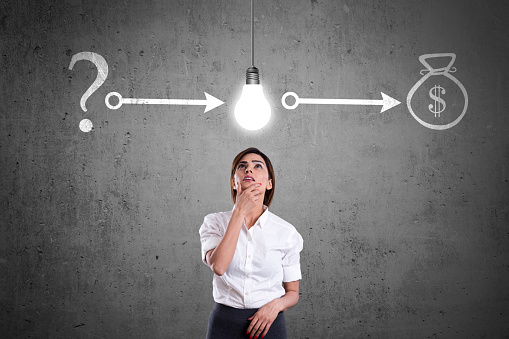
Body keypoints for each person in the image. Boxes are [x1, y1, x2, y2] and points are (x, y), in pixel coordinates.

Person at [199, 147, 304, 339]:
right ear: (234, 182)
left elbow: (293, 292)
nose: (249, 170)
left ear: (269, 183)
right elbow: (219, 266)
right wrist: (239, 212)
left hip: (269, 324)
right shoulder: (214, 222)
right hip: (224, 324)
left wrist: (275, 306)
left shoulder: (286, 232)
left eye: (258, 166)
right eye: (242, 166)